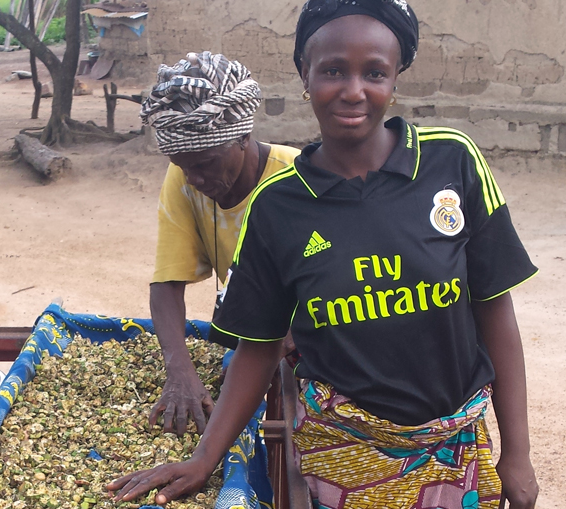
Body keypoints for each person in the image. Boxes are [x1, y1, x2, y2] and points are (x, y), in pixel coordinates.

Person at [108, 1, 540, 508]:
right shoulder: (277, 207)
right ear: (304, 76)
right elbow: (260, 347)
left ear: (395, 77)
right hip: (342, 455)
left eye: (374, 72)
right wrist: (204, 459)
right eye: (333, 70)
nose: (353, 90)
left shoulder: (452, 161)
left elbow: (495, 311)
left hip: (455, 450)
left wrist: (518, 452)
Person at [140, 51, 300, 437]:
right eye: (183, 166)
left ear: (243, 137)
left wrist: (277, 349)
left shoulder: (297, 179)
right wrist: (179, 372)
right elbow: (166, 285)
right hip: (254, 334)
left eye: (206, 164)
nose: (194, 179)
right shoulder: (184, 180)